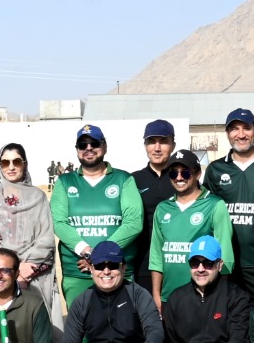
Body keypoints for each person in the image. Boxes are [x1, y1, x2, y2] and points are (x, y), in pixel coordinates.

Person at [0, 142, 61, 343]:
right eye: (5, 162)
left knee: (35, 332)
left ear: (25, 164)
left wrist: (25, 270)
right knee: (4, 333)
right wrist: (12, 268)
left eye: (16, 161)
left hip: (34, 273)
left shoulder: (38, 197)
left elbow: (46, 237)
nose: (11, 167)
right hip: (2, 273)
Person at [50, 124, 141, 306]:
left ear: (104, 146)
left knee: (122, 322)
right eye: (83, 145)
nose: (89, 148)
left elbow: (134, 222)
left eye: (94, 143)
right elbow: (58, 222)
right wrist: (86, 251)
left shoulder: (123, 179)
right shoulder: (65, 182)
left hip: (116, 271)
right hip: (78, 272)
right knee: (81, 322)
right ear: (77, 150)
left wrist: (100, 256)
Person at [203, 108, 254, 297]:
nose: (241, 135)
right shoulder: (216, 169)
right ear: (227, 133)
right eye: (234, 129)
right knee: (229, 312)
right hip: (226, 263)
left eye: (246, 128)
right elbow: (207, 218)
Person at [148, 149, 234, 308]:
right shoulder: (162, 208)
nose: (179, 177)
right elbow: (156, 256)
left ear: (198, 174)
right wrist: (156, 295)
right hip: (168, 298)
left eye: (185, 173)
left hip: (203, 298)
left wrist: (220, 298)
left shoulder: (215, 205)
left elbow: (226, 256)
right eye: (173, 173)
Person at [130, 119, 182, 293]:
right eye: (152, 142)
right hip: (143, 264)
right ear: (145, 145)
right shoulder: (133, 180)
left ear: (173, 145)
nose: (157, 148)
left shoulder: (183, 179)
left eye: (163, 141)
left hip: (178, 261)